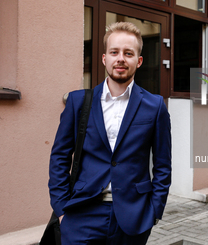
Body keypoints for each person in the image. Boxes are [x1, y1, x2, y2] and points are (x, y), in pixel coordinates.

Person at [48, 22, 172, 245]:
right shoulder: (79, 102)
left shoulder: (154, 106)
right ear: (105, 58)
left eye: (128, 53)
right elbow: (59, 157)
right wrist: (61, 208)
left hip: (134, 217)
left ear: (139, 61)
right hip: (81, 213)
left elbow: (163, 165)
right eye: (114, 52)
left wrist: (154, 211)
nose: (121, 59)